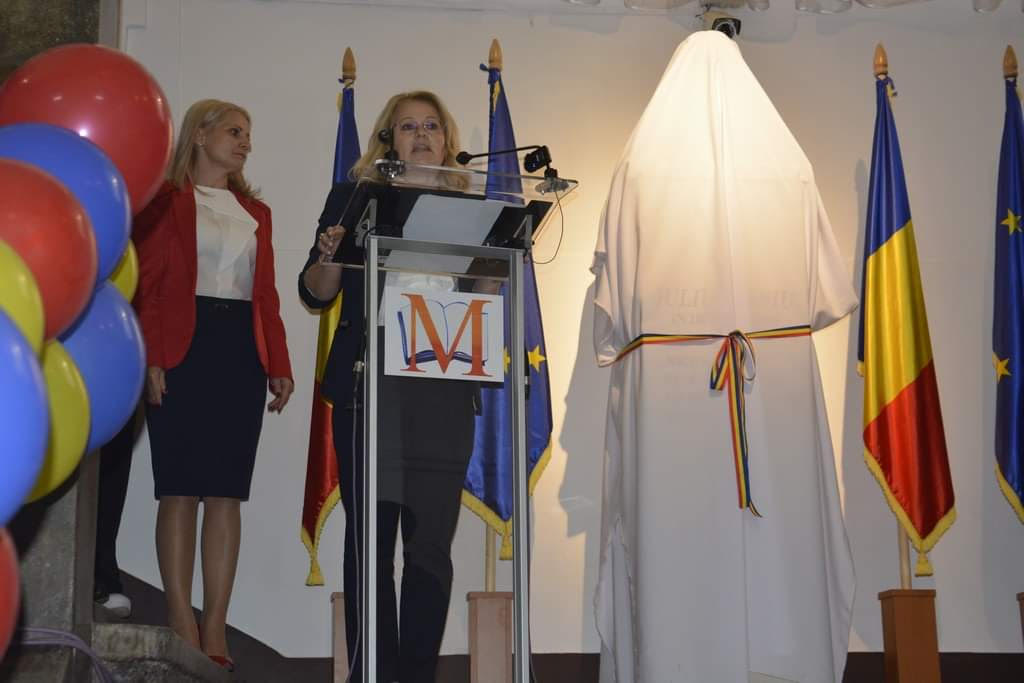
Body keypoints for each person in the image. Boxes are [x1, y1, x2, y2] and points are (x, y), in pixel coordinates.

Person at [299, 90, 478, 683]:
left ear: (448, 141)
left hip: (443, 391)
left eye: (431, 126)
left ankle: (418, 674)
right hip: (368, 388)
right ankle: (373, 673)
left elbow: (484, 298)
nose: (421, 135)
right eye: (407, 127)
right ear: (388, 141)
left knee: (430, 548)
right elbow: (317, 292)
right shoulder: (356, 198)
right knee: (370, 544)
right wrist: (329, 254)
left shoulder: (473, 210)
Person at [134, 99, 294, 671]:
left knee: (226, 492)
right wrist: (152, 357)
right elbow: (148, 286)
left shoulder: (257, 212)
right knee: (178, 489)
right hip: (181, 348)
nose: (245, 141)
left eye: (248, 134)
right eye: (234, 131)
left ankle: (216, 625)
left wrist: (279, 362)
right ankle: (180, 618)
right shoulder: (164, 202)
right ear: (199, 136)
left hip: (238, 354)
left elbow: (266, 295)